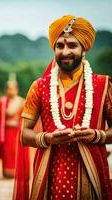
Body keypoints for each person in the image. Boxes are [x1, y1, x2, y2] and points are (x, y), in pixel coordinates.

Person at [21, 15, 112, 199]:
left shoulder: (104, 86)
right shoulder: (39, 87)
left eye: (72, 45)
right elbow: (24, 135)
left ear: (84, 49)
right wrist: (48, 138)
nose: (65, 51)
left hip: (92, 170)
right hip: (50, 172)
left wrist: (96, 135)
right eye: (60, 46)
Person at [0, 74, 24, 178]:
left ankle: (16, 172)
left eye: (13, 89)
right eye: (9, 89)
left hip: (17, 132)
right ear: (6, 90)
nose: (10, 91)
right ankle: (6, 172)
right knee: (6, 151)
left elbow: (25, 119)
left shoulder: (21, 102)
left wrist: (17, 123)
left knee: (15, 151)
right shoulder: (2, 101)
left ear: (17, 90)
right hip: (5, 132)